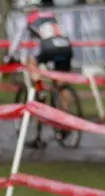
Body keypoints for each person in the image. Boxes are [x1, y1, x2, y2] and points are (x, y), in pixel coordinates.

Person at [7, 0, 73, 147]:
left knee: (32, 63)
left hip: (49, 48)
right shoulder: (52, 15)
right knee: (61, 84)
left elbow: (18, 40)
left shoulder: (28, 20)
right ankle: (67, 119)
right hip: (66, 46)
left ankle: (39, 90)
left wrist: (10, 56)